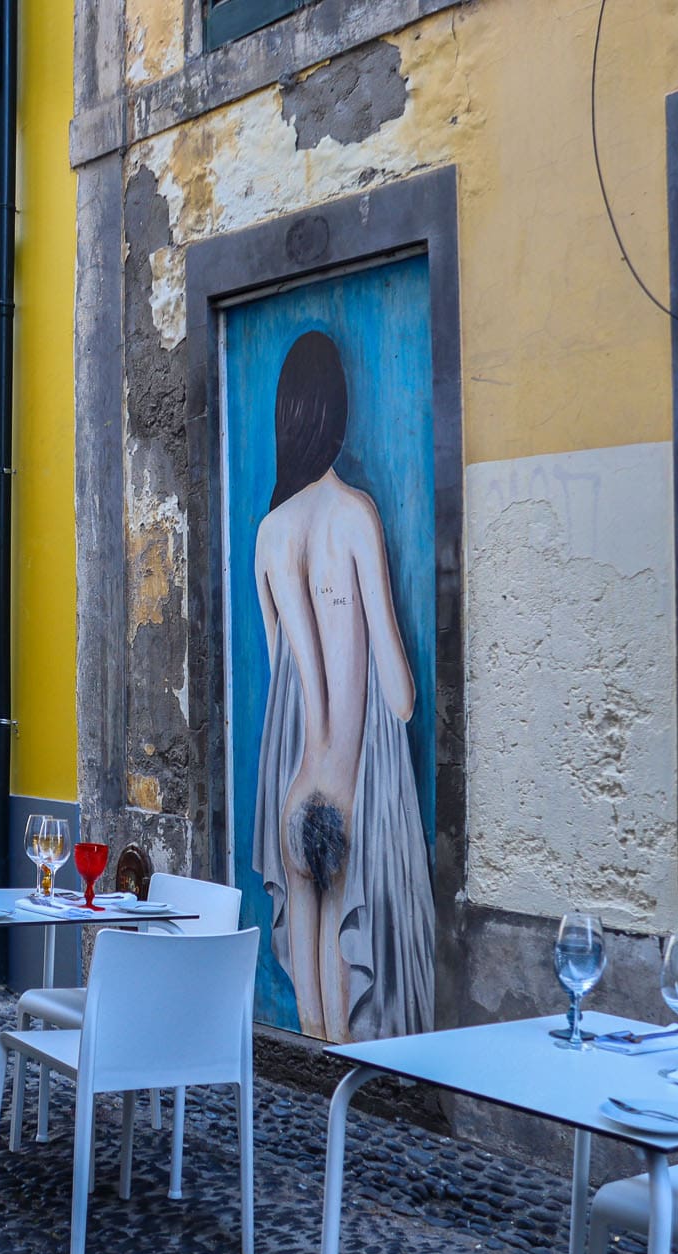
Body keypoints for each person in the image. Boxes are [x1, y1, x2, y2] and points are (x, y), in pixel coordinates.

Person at [251, 329, 435, 1045]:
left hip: (296, 797)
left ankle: (313, 1128)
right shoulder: (355, 515)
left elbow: (281, 684)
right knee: (348, 1026)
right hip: (350, 795)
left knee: (313, 1022)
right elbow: (399, 695)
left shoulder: (269, 532)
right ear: (336, 411)